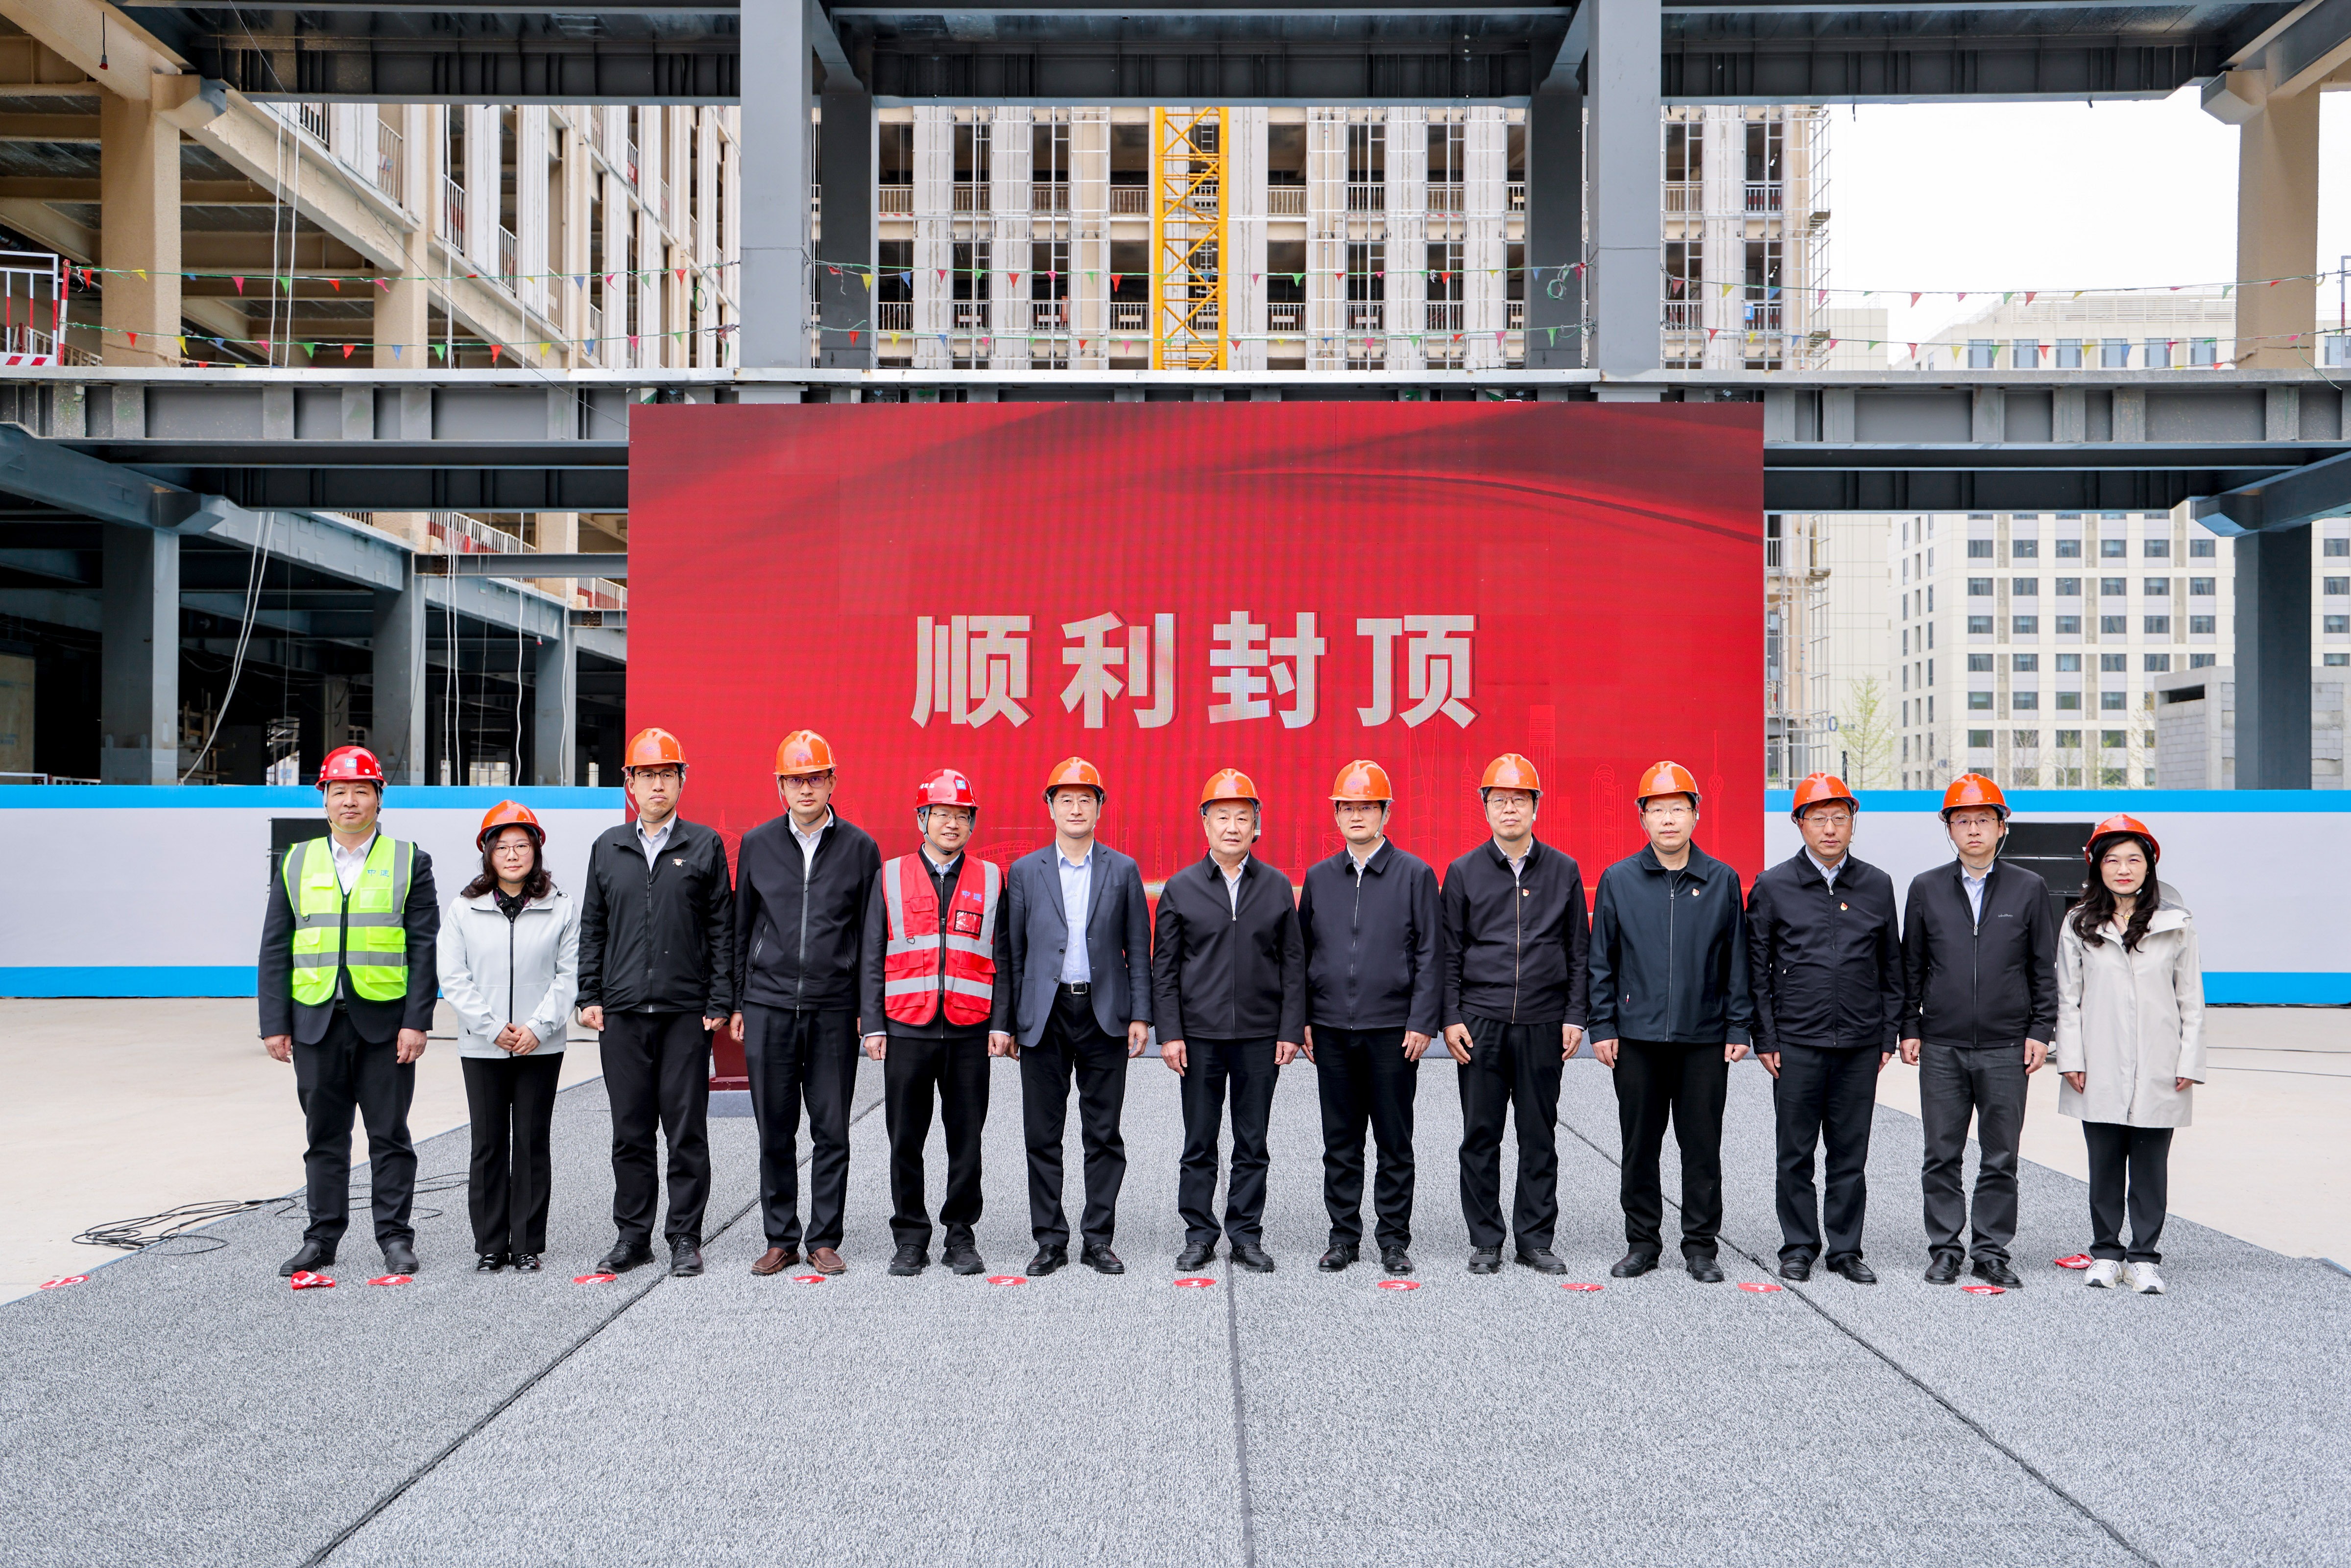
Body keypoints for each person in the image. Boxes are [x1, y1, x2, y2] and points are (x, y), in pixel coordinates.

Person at [258, 745, 440, 1278]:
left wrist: (417, 1020)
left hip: (385, 1025)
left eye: (362, 790)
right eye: (340, 791)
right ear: (325, 799)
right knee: (324, 1139)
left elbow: (423, 948)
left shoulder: (409, 860)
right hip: (315, 1023)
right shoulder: (296, 861)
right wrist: (275, 1023)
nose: (350, 801)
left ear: (380, 798)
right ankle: (321, 1239)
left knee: (390, 1136)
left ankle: (395, 1238)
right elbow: (275, 946)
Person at [1586, 760, 1753, 1283]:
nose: (1667, 819)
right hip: (1636, 1039)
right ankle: (1642, 1243)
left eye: (1677, 809)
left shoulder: (1722, 880)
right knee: (1640, 1146)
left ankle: (1701, 1247)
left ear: (1696, 815)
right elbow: (1601, 960)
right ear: (1642, 818)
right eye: (1657, 810)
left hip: (1704, 1038)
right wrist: (1603, 1026)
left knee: (1701, 1146)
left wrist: (1738, 1027)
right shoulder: (1619, 880)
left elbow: (1737, 960)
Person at [578, 727, 735, 1280]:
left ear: (681, 781)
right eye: (647, 776)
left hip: (685, 1014)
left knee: (686, 1131)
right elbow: (593, 927)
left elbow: (722, 928)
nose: (657, 785)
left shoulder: (704, 845)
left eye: (667, 774)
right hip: (621, 1014)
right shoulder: (608, 847)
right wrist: (589, 994)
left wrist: (720, 997)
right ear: (630, 784)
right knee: (630, 1131)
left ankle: (685, 1236)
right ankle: (632, 1236)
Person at [1899, 773, 2059, 1289]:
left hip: (2007, 1045)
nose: (1973, 830)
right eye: (1963, 821)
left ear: (2002, 827)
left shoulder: (2028, 888)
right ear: (1949, 828)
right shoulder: (1925, 888)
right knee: (1941, 1153)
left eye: (1984, 820)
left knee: (2001, 1156)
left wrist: (2041, 1029)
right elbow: (1911, 966)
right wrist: (1909, 1026)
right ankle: (1945, 1249)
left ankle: (1991, 1251)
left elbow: (2043, 967)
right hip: (1942, 1044)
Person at [730, 731, 881, 1278]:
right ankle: (781, 1238)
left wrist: (867, 1008)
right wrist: (738, 1001)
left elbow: (870, 936)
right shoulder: (758, 843)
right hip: (768, 1005)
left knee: (831, 1129)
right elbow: (741, 926)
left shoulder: (860, 848)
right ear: (780, 786)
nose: (806, 789)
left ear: (833, 781)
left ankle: (823, 1238)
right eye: (796, 780)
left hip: (833, 1008)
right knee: (774, 1127)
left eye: (816, 778)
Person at [1746, 773, 1901, 1285]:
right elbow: (1757, 969)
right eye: (1819, 818)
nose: (1830, 828)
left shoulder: (1877, 884)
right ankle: (1798, 1246)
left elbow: (1891, 966)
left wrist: (1886, 1036)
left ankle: (1846, 1249)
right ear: (1799, 824)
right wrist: (1766, 1038)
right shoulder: (1773, 885)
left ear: (1853, 822)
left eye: (1840, 817)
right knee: (1795, 1153)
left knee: (1849, 1153)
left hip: (1859, 1043)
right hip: (1796, 1043)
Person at [1437, 753, 1588, 1277]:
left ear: (1535, 807)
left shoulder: (1564, 871)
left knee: (1539, 1134)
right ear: (1485, 808)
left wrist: (1575, 1015)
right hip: (1480, 1022)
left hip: (1544, 1022)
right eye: (1499, 800)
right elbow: (1450, 952)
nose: (1509, 809)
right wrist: (1451, 1016)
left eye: (1519, 800)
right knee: (1481, 1134)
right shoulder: (1464, 872)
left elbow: (1578, 950)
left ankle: (1535, 1240)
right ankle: (1485, 1239)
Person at [861, 769, 1015, 1278]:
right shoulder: (890, 875)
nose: (952, 823)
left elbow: (1003, 956)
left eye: (962, 815)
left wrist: (1001, 1023)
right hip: (907, 1028)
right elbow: (871, 954)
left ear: (972, 823)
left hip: (970, 1030)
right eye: (943, 813)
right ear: (922, 819)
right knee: (905, 1139)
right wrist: (873, 1025)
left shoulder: (991, 878)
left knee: (966, 1140)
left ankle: (960, 1236)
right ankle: (910, 1238)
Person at [1004, 758, 1152, 1277]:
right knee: (1042, 1134)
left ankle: (1098, 1239)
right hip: (1043, 1016)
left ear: (1099, 808)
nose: (1075, 808)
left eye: (1085, 799)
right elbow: (1013, 953)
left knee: (1103, 1133)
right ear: (1050, 807)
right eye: (1065, 799)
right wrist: (1010, 1021)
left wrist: (1141, 1014)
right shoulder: (1025, 873)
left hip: (1104, 1012)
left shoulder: (1122, 870)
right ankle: (1049, 1240)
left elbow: (1138, 946)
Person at [1154, 769, 1305, 1274]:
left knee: (1252, 1141)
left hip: (1260, 1036)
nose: (1233, 827)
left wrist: (1290, 1029)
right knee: (1199, 1141)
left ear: (1256, 824)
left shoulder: (1277, 886)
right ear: (1205, 823)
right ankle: (1199, 1235)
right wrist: (1170, 1033)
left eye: (1243, 817)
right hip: (1199, 1037)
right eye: (1223, 817)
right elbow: (1164, 968)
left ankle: (1245, 1234)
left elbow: (1293, 964)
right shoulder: (1181, 888)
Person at [1299, 760, 1442, 1277]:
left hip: (1392, 1032)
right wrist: (1305, 1019)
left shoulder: (1414, 875)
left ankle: (1394, 1239)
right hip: (1332, 1029)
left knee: (1394, 1140)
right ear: (1336, 815)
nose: (1357, 816)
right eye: (1348, 807)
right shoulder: (1320, 878)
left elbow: (1431, 952)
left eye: (1367, 807)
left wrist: (1422, 1020)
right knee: (1340, 1141)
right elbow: (1303, 953)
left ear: (1386, 813)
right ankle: (1343, 1237)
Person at [2053, 813, 2205, 1295]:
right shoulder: (2079, 924)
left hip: (2161, 1062)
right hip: (2098, 1061)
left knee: (2150, 1166)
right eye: (2113, 860)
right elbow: (2068, 997)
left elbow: (2191, 999)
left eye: (2134, 860)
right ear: (2097, 866)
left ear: (2149, 866)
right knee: (2103, 1163)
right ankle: (2105, 1253)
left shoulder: (2176, 924)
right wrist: (2071, 1058)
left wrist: (2189, 1060)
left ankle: (2143, 1258)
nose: (2123, 869)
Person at [436, 802, 580, 1274]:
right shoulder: (464, 908)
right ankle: (491, 1244)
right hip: (483, 1046)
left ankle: (528, 1245)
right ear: (488, 854)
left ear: (536, 850)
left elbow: (570, 974)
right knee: (489, 1143)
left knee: (532, 1142)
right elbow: (453, 977)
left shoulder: (560, 906)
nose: (513, 855)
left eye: (522, 845)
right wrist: (493, 1028)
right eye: (502, 847)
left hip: (541, 1046)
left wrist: (538, 1028)